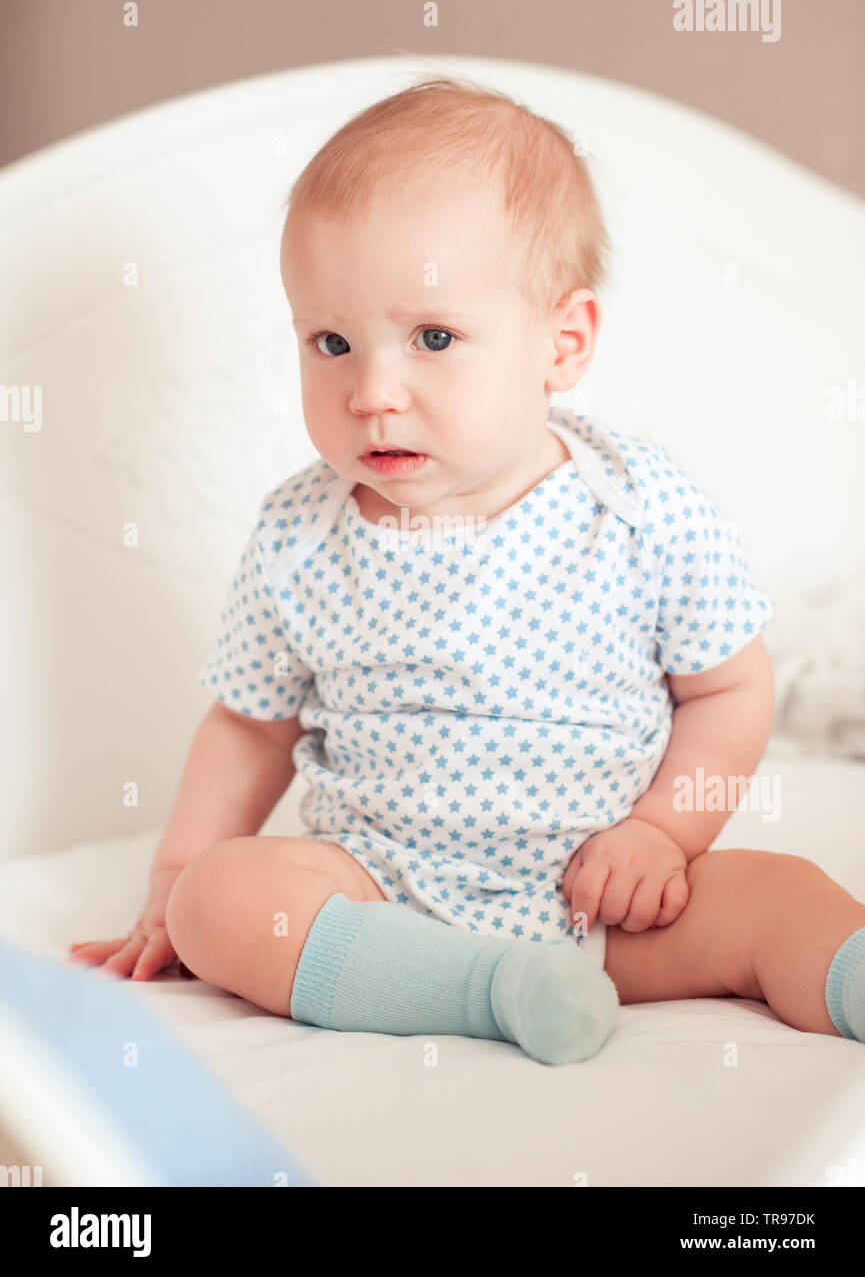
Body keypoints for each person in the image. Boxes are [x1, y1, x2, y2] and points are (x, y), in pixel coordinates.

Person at [67, 76, 865, 1065]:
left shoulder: (638, 506)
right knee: (219, 901)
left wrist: (663, 833)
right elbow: (248, 723)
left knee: (780, 895)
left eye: (433, 338)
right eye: (331, 342)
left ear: (561, 344)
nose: (371, 391)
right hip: (377, 890)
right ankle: (490, 990)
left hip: (608, 892)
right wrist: (172, 878)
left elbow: (731, 688)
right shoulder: (298, 533)